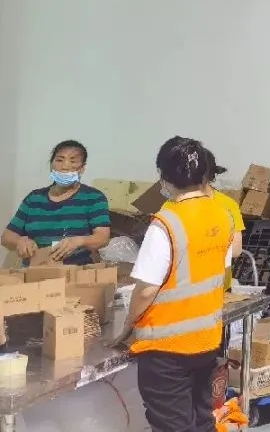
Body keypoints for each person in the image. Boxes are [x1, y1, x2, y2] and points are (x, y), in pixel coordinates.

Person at [122, 137, 234, 432]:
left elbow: (146, 290)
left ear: (164, 176)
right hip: (206, 341)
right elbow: (219, 269)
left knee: (173, 425)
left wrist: (128, 325)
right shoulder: (223, 216)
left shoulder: (166, 223)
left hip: (166, 349)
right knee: (202, 420)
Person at [3, 140, 111, 265]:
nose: (65, 167)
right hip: (35, 270)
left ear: (82, 168)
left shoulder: (94, 198)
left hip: (75, 271)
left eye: (73, 161)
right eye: (59, 160)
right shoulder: (33, 199)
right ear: (51, 165)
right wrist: (20, 242)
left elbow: (102, 238)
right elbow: (7, 237)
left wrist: (77, 241)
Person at [160, 148, 244, 290]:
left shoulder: (227, 205)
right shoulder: (170, 206)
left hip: (219, 289)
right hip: (183, 289)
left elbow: (236, 249)